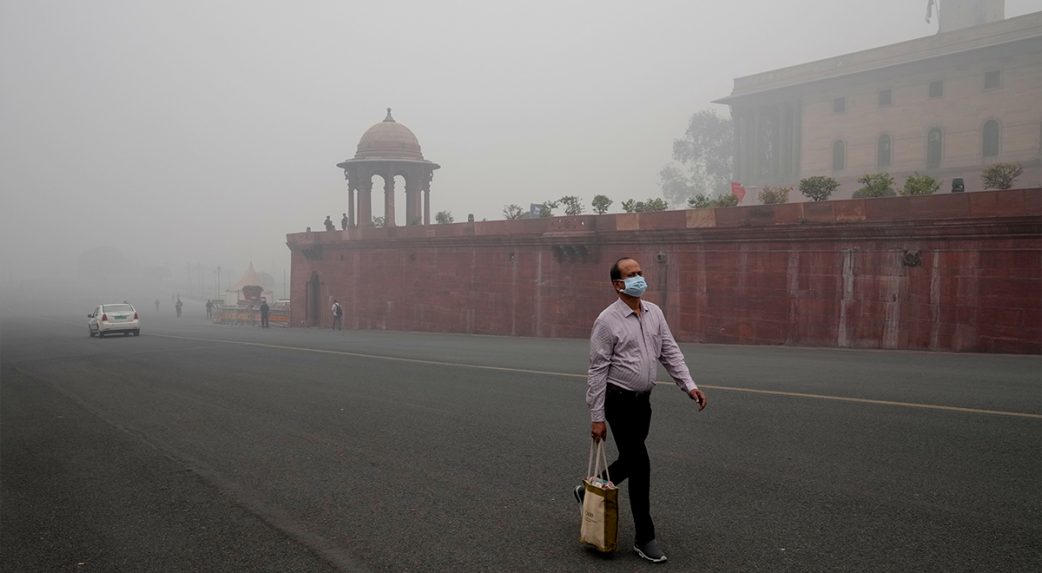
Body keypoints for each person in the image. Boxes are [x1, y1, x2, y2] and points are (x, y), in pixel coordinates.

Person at [577, 257, 708, 564]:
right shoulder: (606, 321)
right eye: (631, 275)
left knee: (631, 459)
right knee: (641, 465)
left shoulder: (654, 313)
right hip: (617, 401)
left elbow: (669, 351)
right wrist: (597, 418)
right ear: (617, 285)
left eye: (640, 273)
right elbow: (597, 371)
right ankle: (644, 537)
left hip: (643, 404)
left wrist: (688, 385)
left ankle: (587, 491)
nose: (639, 278)